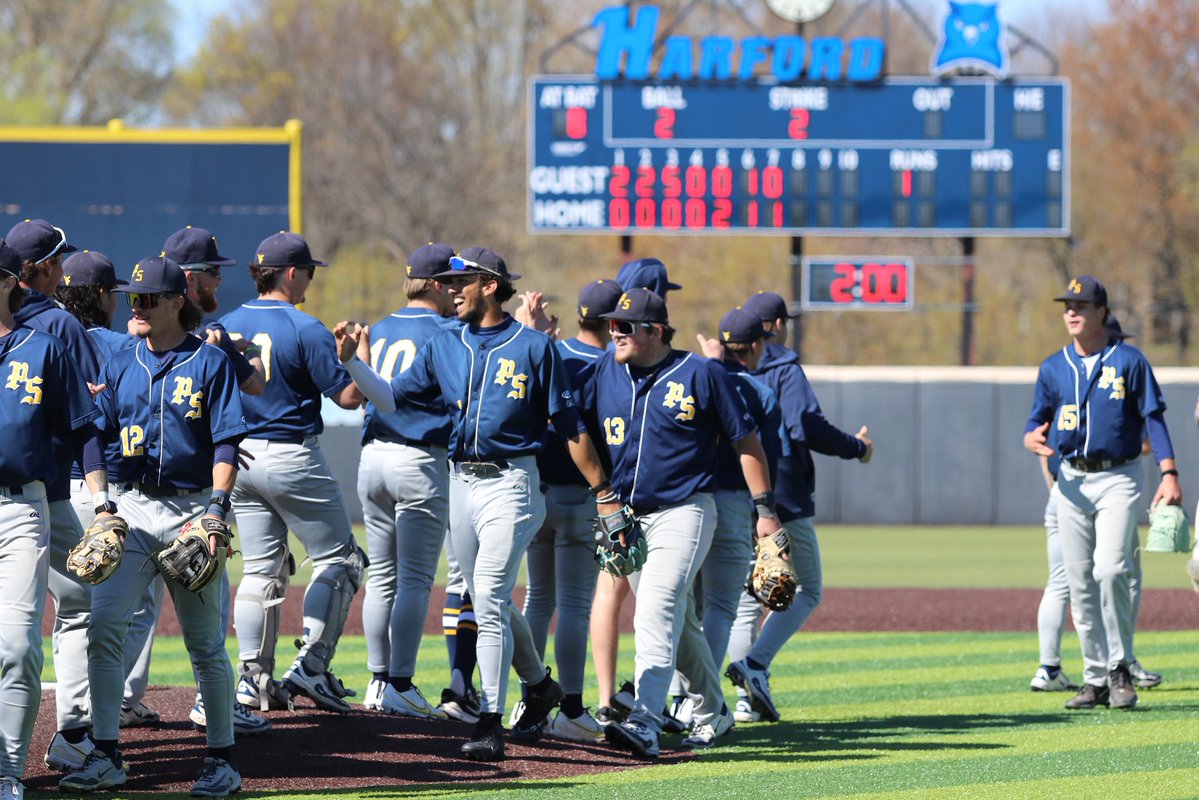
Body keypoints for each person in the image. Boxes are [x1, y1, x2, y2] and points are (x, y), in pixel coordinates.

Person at [335, 246, 618, 761]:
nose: (449, 288)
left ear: (490, 285)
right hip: (460, 482)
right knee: (491, 601)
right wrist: (353, 361)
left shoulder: (535, 347)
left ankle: (490, 719)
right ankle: (539, 686)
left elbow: (570, 426)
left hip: (512, 483)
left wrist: (604, 492)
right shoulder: (446, 342)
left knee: (486, 597)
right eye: (445, 280)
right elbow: (393, 397)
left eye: (458, 281)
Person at [60, 255, 247, 796]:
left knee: (206, 644)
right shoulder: (121, 363)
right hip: (135, 509)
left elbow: (227, 439)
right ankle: (106, 753)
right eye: (133, 297)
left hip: (192, 511)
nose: (135, 306)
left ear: (175, 303)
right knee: (103, 630)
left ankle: (221, 761)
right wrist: (103, 505)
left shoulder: (209, 363)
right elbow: (93, 434)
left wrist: (217, 509)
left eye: (146, 299)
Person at [573, 287, 781, 758]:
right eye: (612, 325)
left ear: (657, 331)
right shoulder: (606, 372)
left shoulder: (701, 374)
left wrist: (765, 511)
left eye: (625, 326)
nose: (615, 332)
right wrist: (601, 496)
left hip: (684, 510)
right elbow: (573, 428)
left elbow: (746, 443)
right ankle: (714, 712)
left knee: (654, 606)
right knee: (681, 622)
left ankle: (645, 718)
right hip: (628, 515)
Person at [220, 231, 366, 714]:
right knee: (342, 560)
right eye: (308, 270)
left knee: (260, 570)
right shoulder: (306, 327)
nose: (309, 278)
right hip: (290, 454)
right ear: (289, 273)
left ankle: (252, 681)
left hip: (237, 458)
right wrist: (354, 358)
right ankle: (313, 668)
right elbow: (348, 397)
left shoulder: (225, 324)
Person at [1024, 276, 1181, 711]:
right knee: (1078, 584)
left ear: (1102, 313)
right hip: (1071, 480)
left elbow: (1155, 419)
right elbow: (1036, 420)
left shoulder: (1129, 360)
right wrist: (1029, 438)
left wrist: (1169, 472)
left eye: (1082, 304)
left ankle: (1119, 666)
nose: (1072, 312)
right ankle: (1094, 678)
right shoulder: (1053, 367)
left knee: (1111, 569)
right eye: (1067, 305)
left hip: (1118, 476)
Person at [721, 290, 872, 724]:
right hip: (782, 493)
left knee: (748, 597)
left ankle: (746, 699)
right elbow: (808, 427)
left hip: (739, 489)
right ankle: (755, 666)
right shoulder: (784, 368)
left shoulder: (720, 370)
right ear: (778, 326)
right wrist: (857, 448)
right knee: (808, 588)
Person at [0, 238, 112, 800]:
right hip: (33, 501)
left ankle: (8, 772)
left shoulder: (44, 345)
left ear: (8, 281)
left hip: (26, 503)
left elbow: (85, 426)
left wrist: (105, 504)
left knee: (18, 646)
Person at [161, 226, 271, 736]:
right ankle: (212, 708)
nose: (219, 282)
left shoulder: (195, 337)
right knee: (204, 615)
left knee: (134, 616)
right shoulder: (202, 342)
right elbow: (257, 381)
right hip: (163, 497)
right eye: (212, 273)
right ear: (189, 278)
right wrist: (235, 349)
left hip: (141, 489)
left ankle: (118, 704)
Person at [668, 307, 786, 726]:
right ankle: (704, 701)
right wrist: (768, 511)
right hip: (736, 502)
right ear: (755, 346)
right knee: (722, 604)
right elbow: (770, 454)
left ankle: (674, 698)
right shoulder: (758, 390)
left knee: (681, 604)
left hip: (687, 502)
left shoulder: (692, 378)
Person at [356, 243, 460, 719]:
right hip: (419, 459)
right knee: (416, 579)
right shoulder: (449, 331)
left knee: (381, 576)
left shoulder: (379, 327)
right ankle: (400, 682)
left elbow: (363, 391)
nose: (458, 290)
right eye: (453, 282)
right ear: (436, 284)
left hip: (372, 456)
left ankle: (377, 682)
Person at [520, 278, 624, 743]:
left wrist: (539, 334)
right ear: (612, 322)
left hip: (536, 493)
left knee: (536, 600)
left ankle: (530, 699)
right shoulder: (611, 367)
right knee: (575, 608)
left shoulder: (549, 353)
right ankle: (574, 709)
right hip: (583, 496)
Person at [592, 257, 684, 724]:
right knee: (651, 601)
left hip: (611, 493)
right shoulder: (618, 360)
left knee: (647, 599)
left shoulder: (603, 353)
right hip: (622, 498)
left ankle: (617, 698)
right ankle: (636, 701)